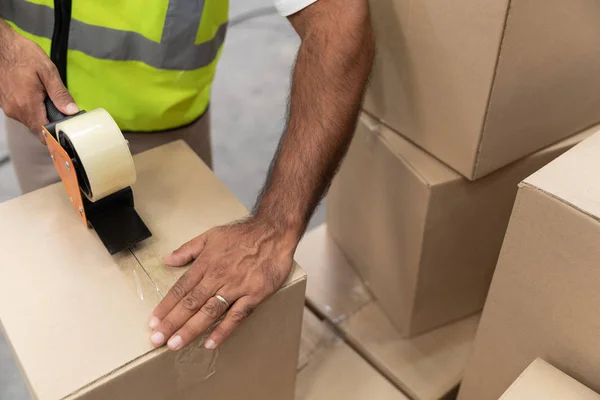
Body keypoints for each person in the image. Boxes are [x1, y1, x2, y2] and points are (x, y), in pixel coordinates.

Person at [0, 0, 375, 352]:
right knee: (72, 299)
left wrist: (277, 225)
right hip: (38, 114)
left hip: (166, 129)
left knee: (170, 319)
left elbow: (336, 18)